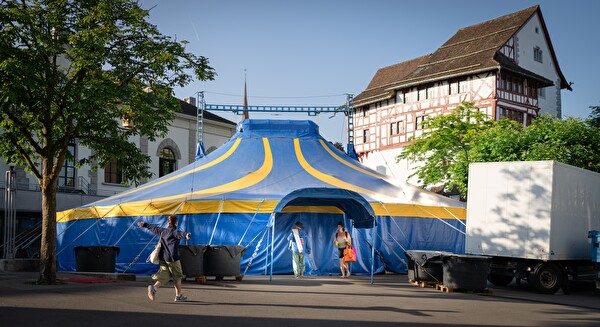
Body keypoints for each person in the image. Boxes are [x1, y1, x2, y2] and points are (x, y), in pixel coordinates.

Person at [138, 214, 191, 302]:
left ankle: (154, 288)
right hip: (172, 259)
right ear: (176, 223)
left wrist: (145, 225)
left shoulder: (163, 231)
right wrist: (187, 235)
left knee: (165, 275)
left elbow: (154, 228)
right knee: (177, 276)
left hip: (163, 258)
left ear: (168, 222)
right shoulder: (174, 232)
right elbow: (181, 234)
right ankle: (178, 296)